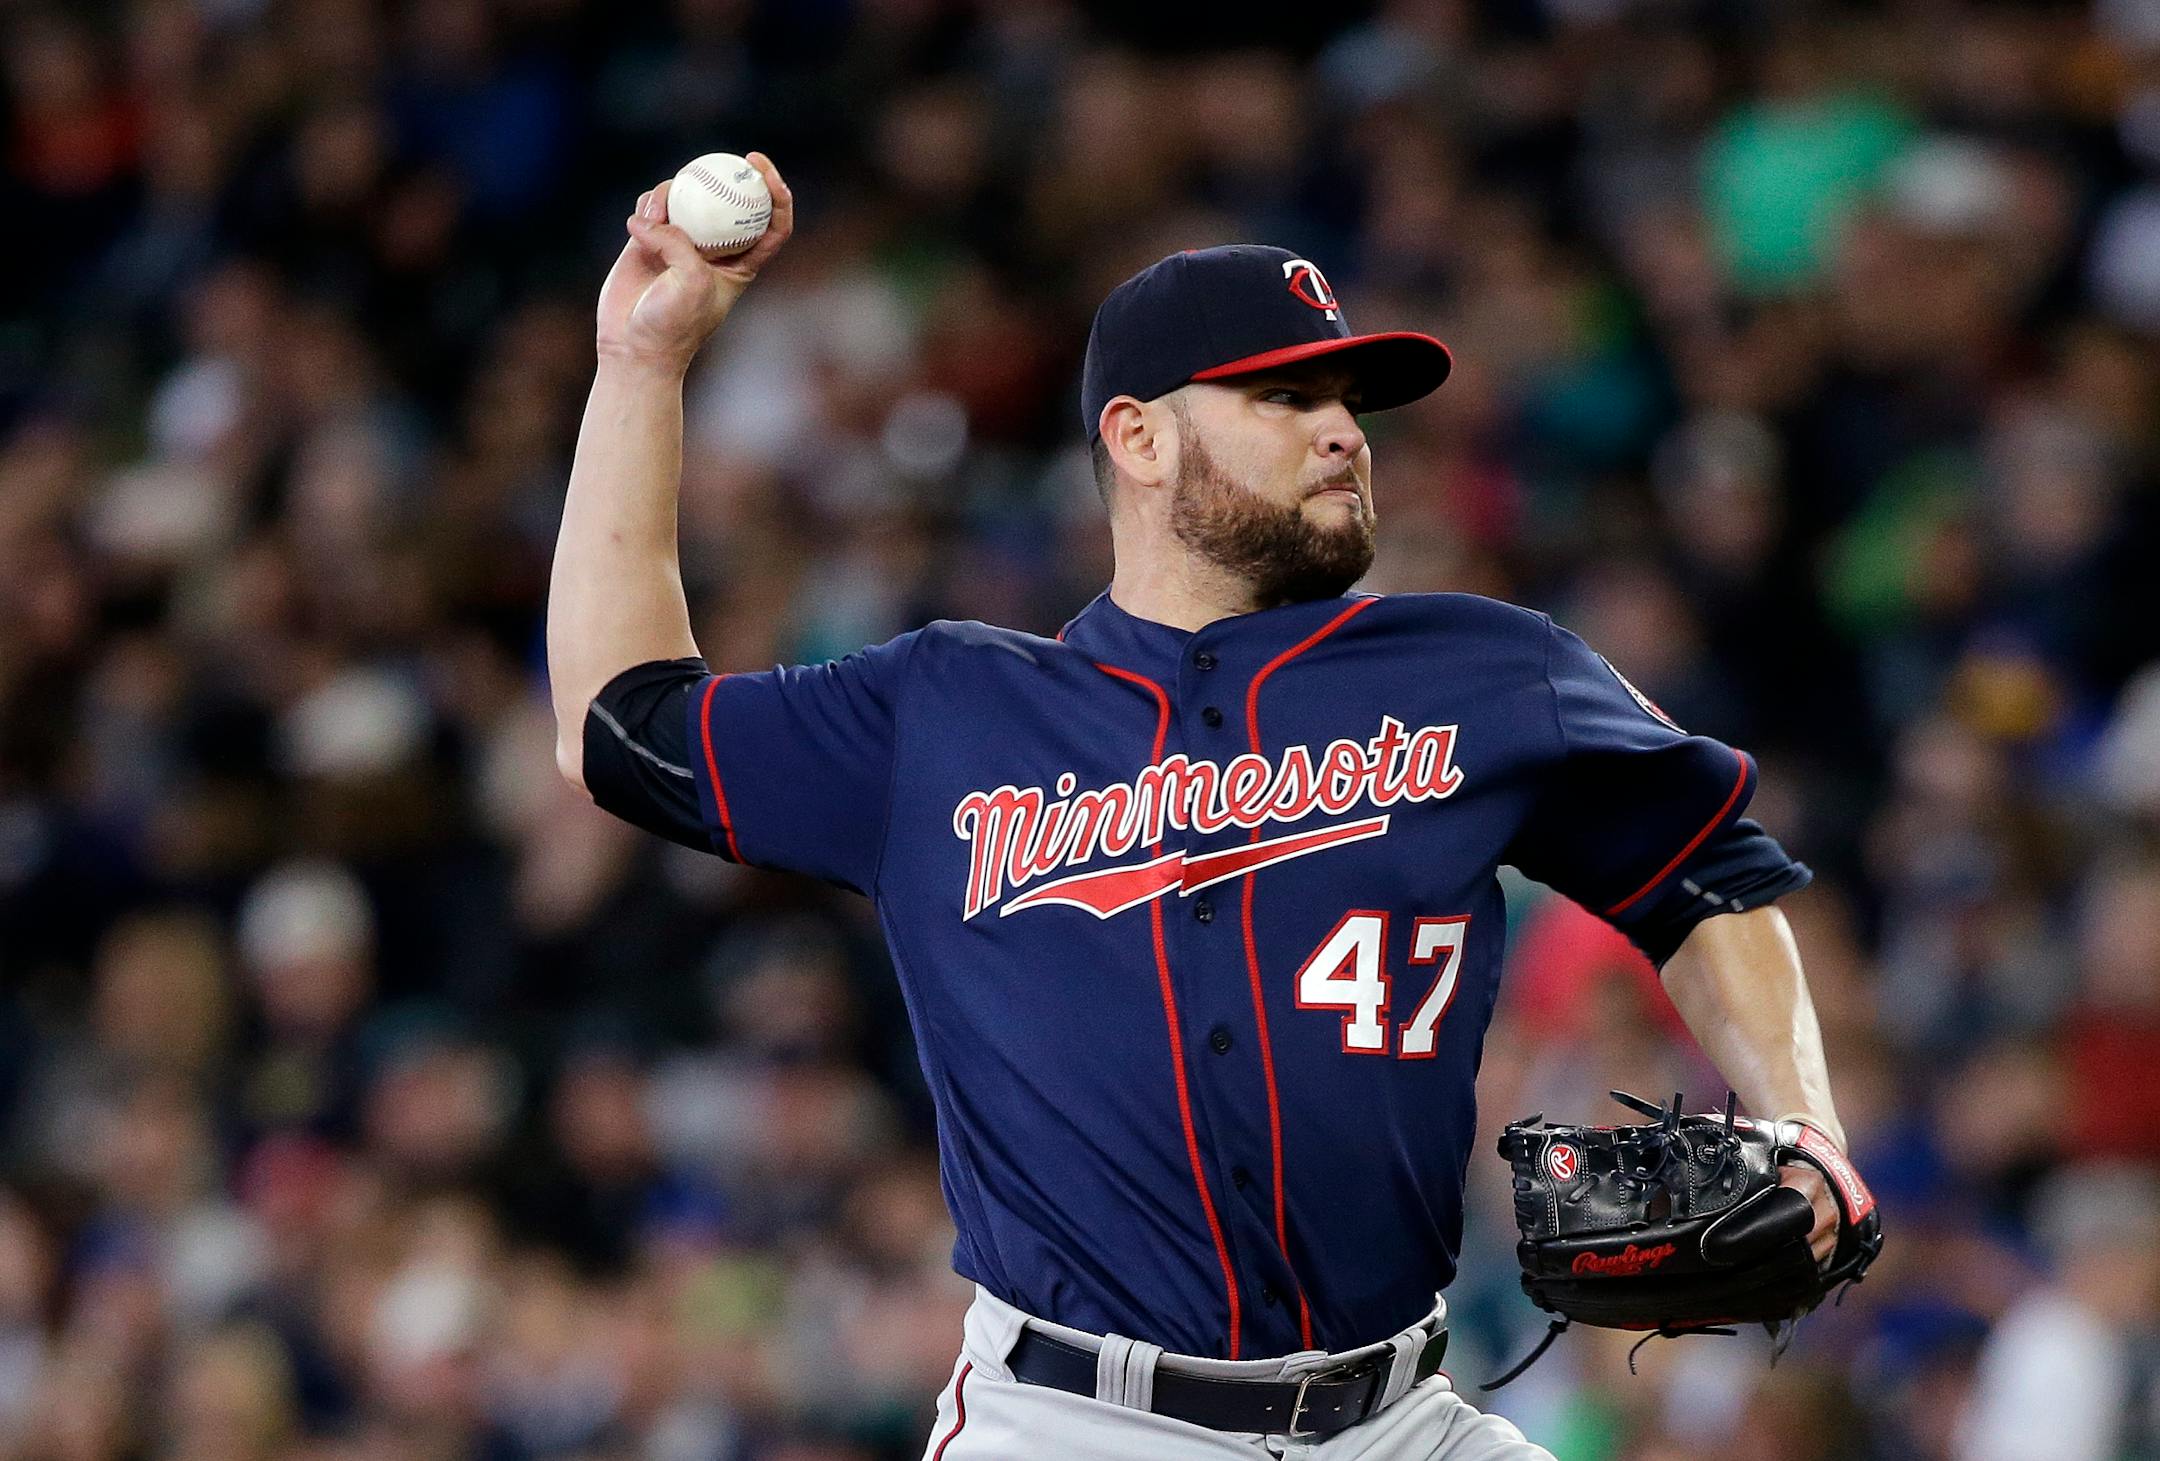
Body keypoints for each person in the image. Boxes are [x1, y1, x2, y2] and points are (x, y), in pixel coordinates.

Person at [547, 155, 1863, 1459]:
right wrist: (643, 364)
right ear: (1138, 435)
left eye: (1349, 398)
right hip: (1074, 1422)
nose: (1344, 429)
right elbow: (619, 721)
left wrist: (1802, 1118)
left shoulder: (1491, 673)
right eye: (1286, 396)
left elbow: (1710, 878)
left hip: (1400, 1418)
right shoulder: (944, 711)